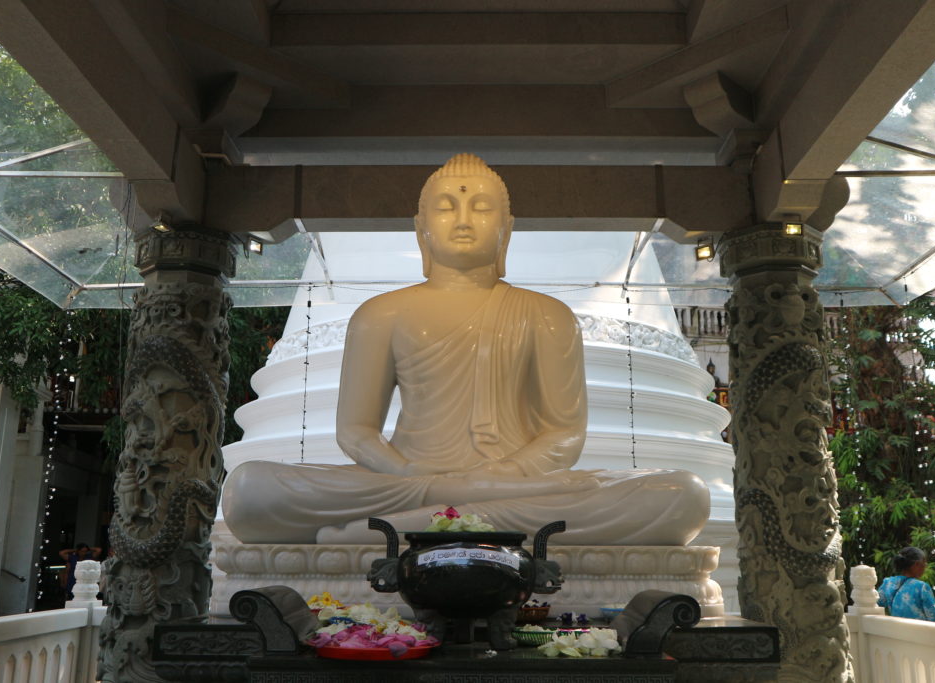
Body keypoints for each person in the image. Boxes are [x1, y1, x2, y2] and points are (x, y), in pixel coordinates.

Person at [222, 153, 709, 546]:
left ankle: (399, 529)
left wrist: (501, 475)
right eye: (447, 206)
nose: (463, 218)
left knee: (681, 495)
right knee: (249, 489)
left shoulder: (545, 314)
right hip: (407, 480)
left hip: (513, 484)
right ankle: (441, 513)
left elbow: (563, 434)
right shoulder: (381, 314)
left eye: (480, 206)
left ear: (507, 227)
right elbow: (356, 431)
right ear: (421, 227)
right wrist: (418, 476)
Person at [877, 546, 935, 622]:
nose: (925, 566)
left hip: (896, 631)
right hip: (917, 632)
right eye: (924, 563)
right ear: (916, 564)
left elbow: (876, 604)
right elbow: (934, 617)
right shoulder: (922, 587)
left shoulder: (888, 583)